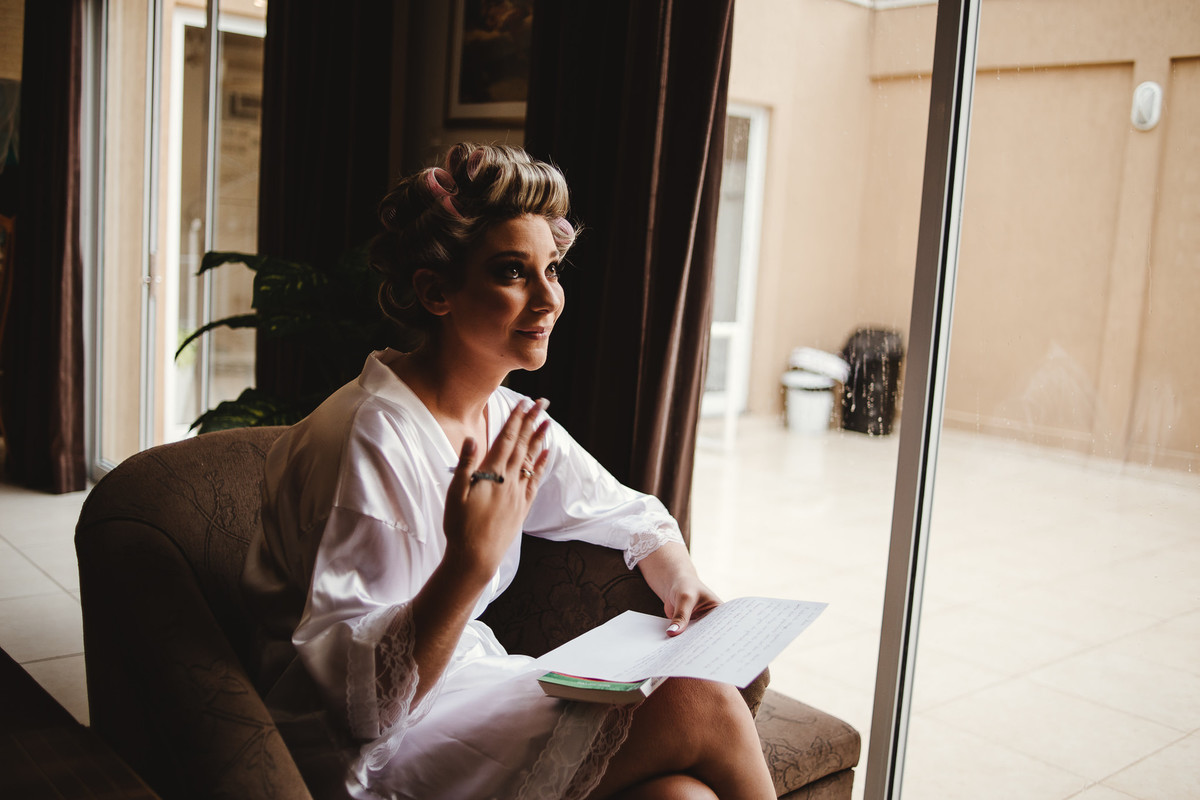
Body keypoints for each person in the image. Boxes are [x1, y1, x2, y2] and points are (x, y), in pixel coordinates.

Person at [242, 143, 776, 800]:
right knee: (702, 701)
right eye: (513, 272)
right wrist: (468, 562)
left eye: (552, 269)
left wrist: (681, 580)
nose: (548, 298)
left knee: (682, 798)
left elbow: (627, 511)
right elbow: (366, 710)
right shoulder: (369, 440)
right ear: (436, 291)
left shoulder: (505, 416)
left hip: (470, 686)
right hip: (368, 753)